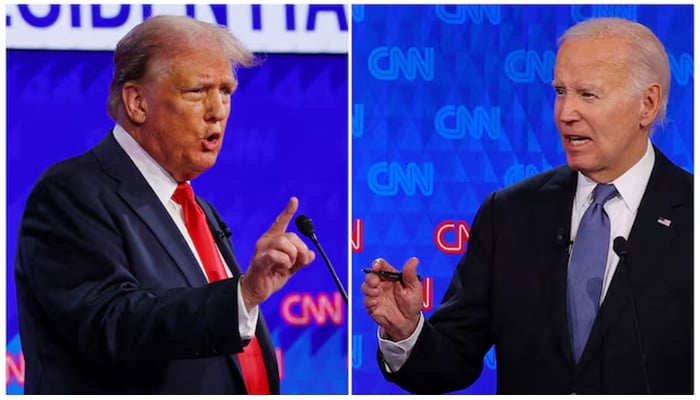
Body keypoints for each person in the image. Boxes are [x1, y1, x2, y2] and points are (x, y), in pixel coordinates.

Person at [362, 17, 692, 394]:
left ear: (646, 105)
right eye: (560, 91)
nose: (565, 112)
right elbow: (454, 358)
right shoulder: (510, 213)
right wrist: (407, 332)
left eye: (588, 94)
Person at [14, 15, 316, 394]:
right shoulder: (70, 193)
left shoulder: (197, 209)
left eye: (226, 91)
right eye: (197, 91)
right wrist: (243, 295)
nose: (218, 110)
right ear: (137, 102)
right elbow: (111, 324)